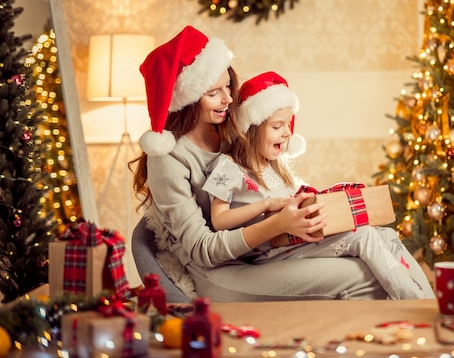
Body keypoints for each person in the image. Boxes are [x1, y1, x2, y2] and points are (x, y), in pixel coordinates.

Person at [130, 25, 390, 301]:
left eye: (227, 84)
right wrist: (278, 224)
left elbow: (269, 184)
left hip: (263, 254)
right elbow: (203, 250)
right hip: (218, 273)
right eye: (213, 92)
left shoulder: (232, 131)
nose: (229, 98)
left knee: (375, 253)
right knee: (361, 277)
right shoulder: (169, 159)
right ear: (189, 98)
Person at [202, 71, 435, 300]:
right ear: (252, 129)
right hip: (270, 251)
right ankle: (414, 302)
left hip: (295, 239)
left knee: (387, 235)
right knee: (364, 237)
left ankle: (426, 299)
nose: (287, 133)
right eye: (277, 127)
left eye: (288, 125)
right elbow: (219, 220)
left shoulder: (274, 166)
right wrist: (266, 204)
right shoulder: (230, 167)